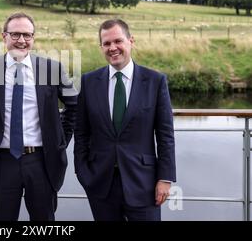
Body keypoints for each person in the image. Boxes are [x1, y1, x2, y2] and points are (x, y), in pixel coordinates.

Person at [0, 12, 78, 221]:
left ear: (33, 38)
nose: (21, 40)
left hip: (42, 161)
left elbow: (74, 107)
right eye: (15, 34)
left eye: (27, 35)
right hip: (1, 162)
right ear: (4, 36)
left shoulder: (52, 69)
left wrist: (59, 142)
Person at [74, 19, 176, 221]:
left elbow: (165, 135)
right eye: (106, 43)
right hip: (100, 183)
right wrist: (83, 173)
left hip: (144, 183)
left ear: (131, 41)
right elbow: (81, 132)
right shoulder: (88, 81)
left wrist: (165, 178)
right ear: (101, 47)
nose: (113, 48)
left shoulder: (155, 81)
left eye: (118, 41)